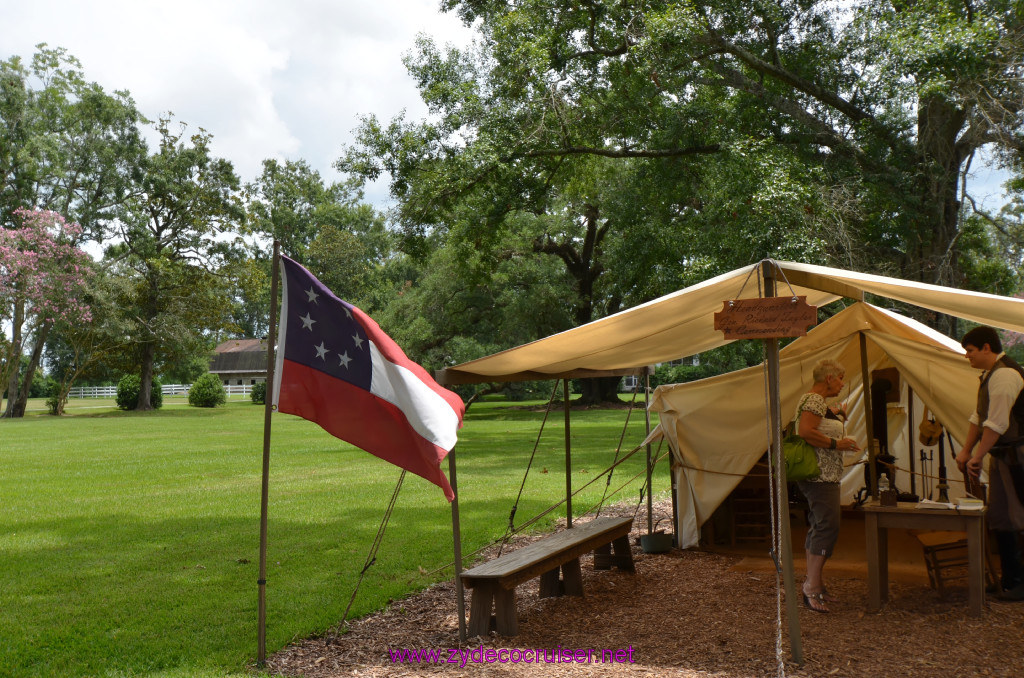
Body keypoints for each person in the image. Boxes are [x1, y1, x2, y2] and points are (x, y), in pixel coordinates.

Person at [954, 326, 1024, 601]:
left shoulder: (1005, 375)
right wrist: (966, 450)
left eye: (970, 351)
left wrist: (977, 455)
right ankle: (1011, 580)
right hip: (1003, 455)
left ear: (986, 348)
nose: (967, 357)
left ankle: (1021, 583)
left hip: (1017, 455)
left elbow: (997, 423)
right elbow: (978, 417)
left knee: (1019, 516)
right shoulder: (989, 375)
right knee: (1001, 517)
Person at [794, 359, 861, 613]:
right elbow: (805, 432)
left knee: (820, 526)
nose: (843, 384)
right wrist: (837, 445)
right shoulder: (814, 400)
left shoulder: (816, 402)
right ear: (829, 378)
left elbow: (816, 427)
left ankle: (816, 583)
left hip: (823, 474)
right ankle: (811, 587)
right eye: (841, 378)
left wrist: (837, 417)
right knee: (828, 527)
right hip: (820, 475)